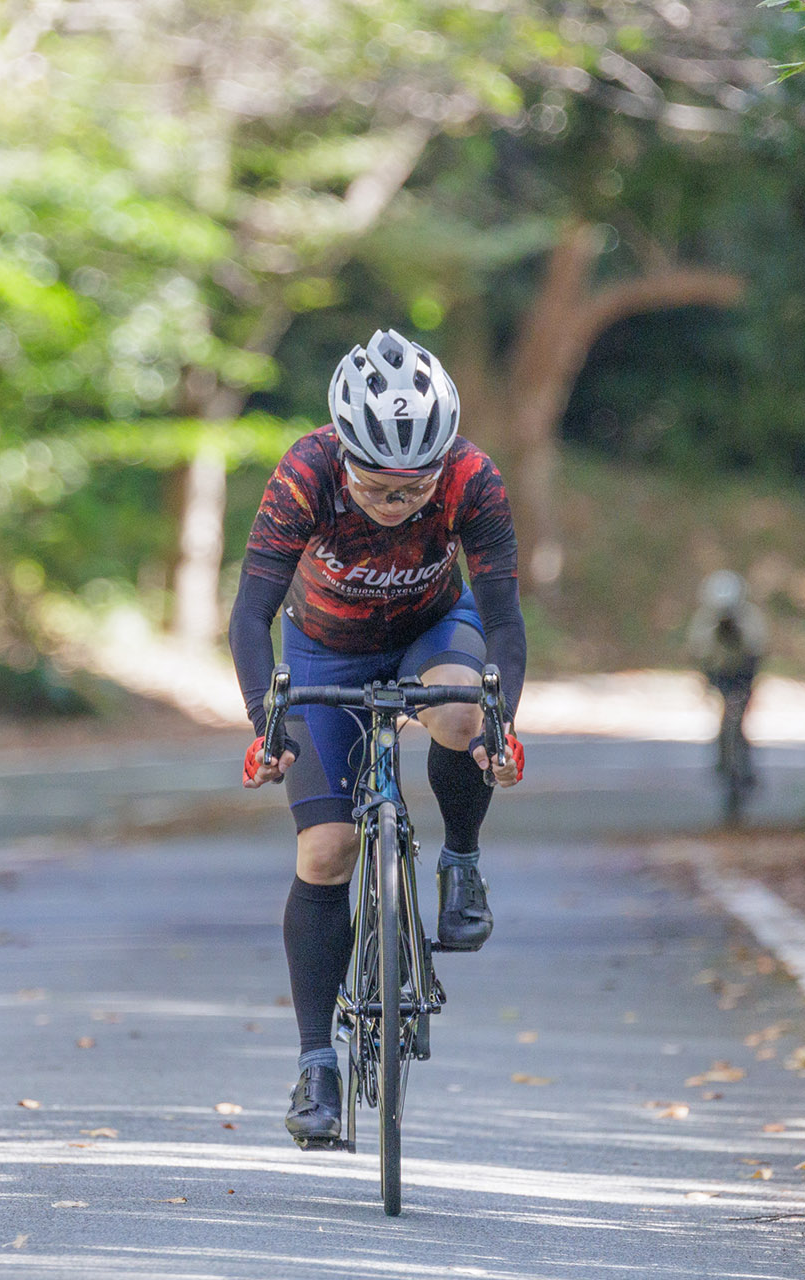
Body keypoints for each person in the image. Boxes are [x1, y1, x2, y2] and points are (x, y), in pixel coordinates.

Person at [229, 328, 527, 1147]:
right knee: (326, 851)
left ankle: (460, 861)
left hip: (433, 631)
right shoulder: (306, 473)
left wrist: (501, 725)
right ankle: (316, 1063)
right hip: (323, 649)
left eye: (413, 490)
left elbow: (503, 621)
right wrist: (265, 721)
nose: (395, 505)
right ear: (344, 453)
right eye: (376, 487)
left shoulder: (472, 478)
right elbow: (250, 615)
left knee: (461, 715)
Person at [686, 570, 766, 792]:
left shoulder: (750, 617)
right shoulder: (705, 620)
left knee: (738, 719)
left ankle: (744, 765)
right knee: (725, 719)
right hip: (719, 674)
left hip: (743, 674)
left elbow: (757, 650)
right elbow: (700, 653)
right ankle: (724, 761)